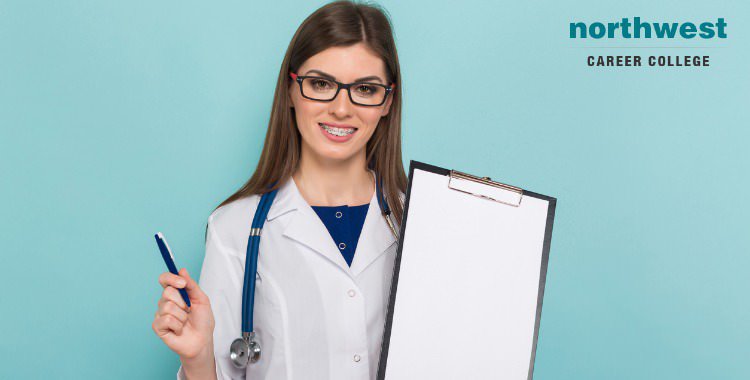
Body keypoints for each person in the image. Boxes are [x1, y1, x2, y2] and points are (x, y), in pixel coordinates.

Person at [151, 1, 407, 379]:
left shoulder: (421, 222)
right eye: (321, 84)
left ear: (386, 101)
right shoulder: (235, 228)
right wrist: (197, 358)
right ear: (291, 90)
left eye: (365, 89)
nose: (341, 108)